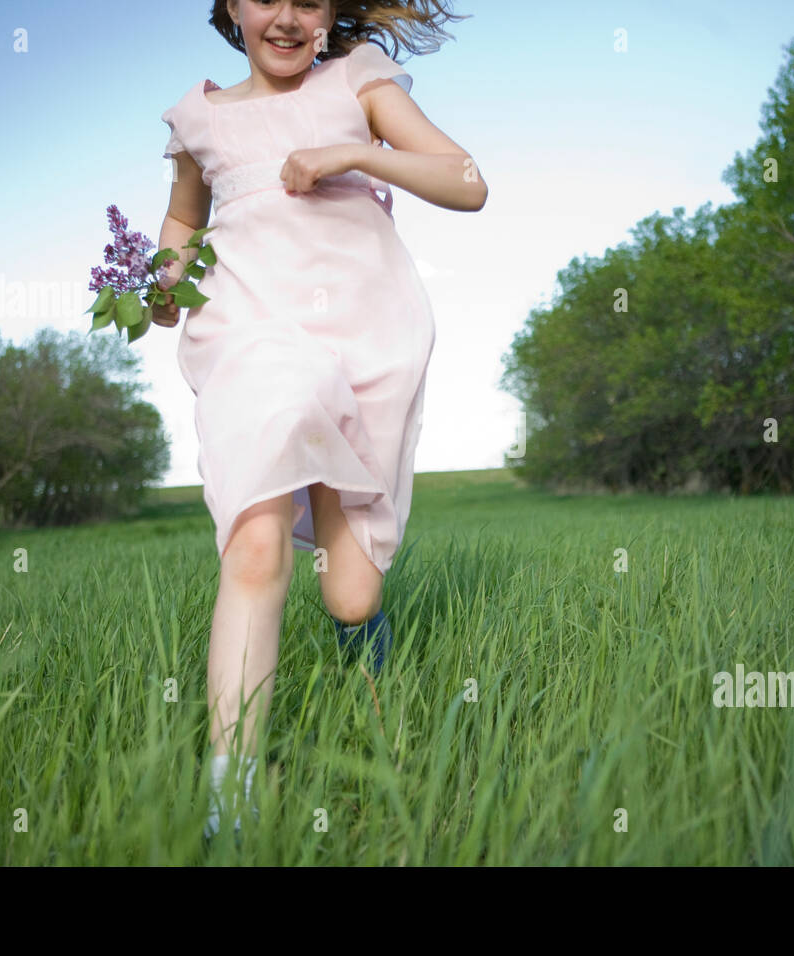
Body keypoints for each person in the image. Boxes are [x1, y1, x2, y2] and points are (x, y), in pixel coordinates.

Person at [151, 0, 486, 840]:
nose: (290, 18)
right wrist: (160, 280)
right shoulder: (198, 116)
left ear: (334, 8)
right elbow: (184, 220)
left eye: (310, 0)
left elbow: (468, 182)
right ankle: (231, 805)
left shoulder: (358, 79)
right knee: (255, 539)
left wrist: (351, 152)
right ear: (230, 4)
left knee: (350, 593)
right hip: (251, 335)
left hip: (367, 333)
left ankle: (368, 697)